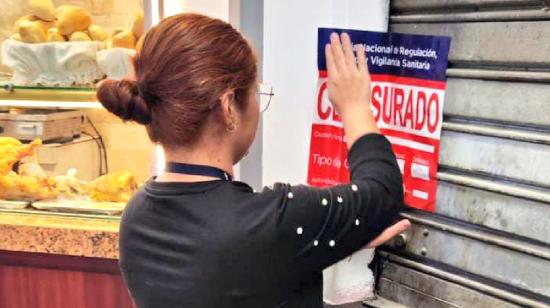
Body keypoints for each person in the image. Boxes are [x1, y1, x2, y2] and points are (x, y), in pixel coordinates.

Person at [97, 13, 410, 308]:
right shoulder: (274, 223)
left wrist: (336, 234)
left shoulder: (135, 218)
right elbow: (383, 192)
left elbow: (236, 273)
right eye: (256, 93)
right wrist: (355, 107)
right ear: (229, 105)